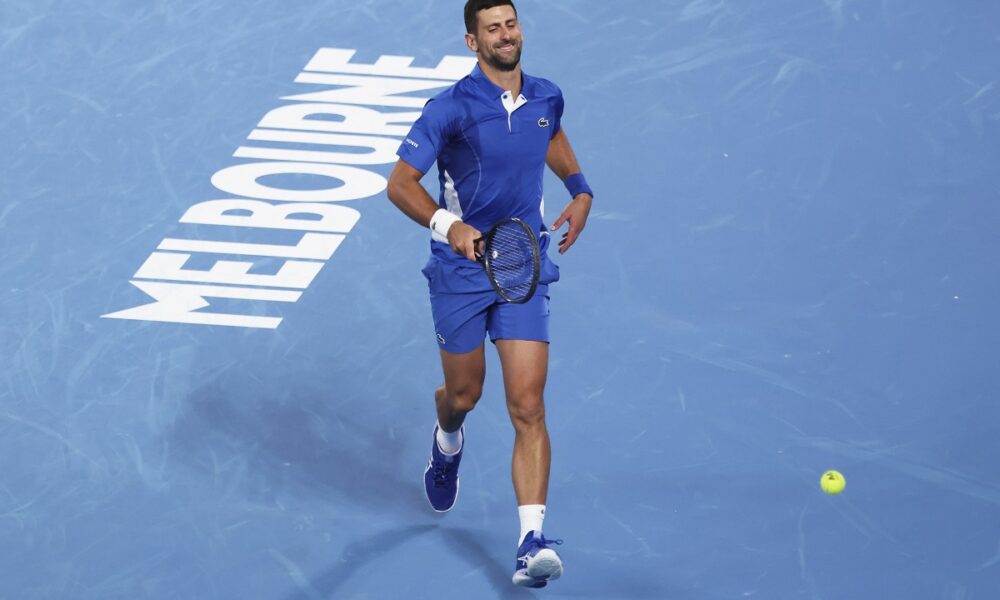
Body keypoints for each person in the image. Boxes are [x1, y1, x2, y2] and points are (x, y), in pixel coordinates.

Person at [386, 0, 593, 588]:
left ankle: (531, 542)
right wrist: (447, 226)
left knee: (528, 406)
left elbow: (549, 134)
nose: (506, 35)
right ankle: (446, 437)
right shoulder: (449, 109)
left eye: (511, 24)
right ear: (473, 43)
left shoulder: (546, 96)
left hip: (522, 263)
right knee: (464, 394)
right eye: (493, 29)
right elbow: (400, 185)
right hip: (460, 270)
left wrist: (579, 189)